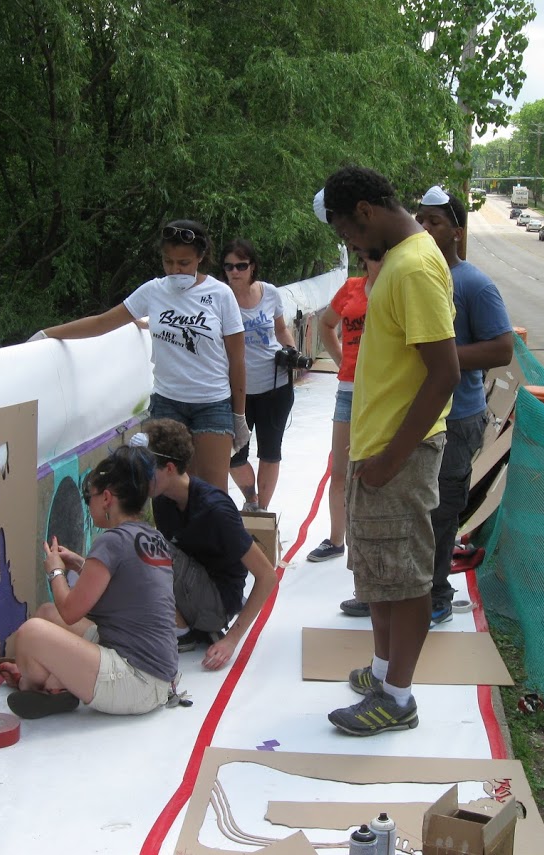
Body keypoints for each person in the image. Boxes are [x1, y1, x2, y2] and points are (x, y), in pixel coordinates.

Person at [314, 167, 459, 736]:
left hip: (400, 453)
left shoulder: (417, 266)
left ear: (366, 212)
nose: (352, 245)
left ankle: (398, 698)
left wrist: (392, 459)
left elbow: (443, 372)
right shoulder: (397, 263)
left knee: (406, 577)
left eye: (349, 233)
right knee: (377, 573)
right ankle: (382, 674)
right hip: (377, 449)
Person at [35, 220, 249, 489]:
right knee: (164, 489)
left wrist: (238, 415)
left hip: (212, 404)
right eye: (168, 262)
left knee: (211, 492)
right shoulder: (153, 291)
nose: (175, 270)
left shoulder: (220, 295)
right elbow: (102, 323)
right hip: (167, 403)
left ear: (201, 257)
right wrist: (47, 334)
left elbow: (237, 359)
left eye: (183, 263)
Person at [0, 447, 178, 720]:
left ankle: (37, 684)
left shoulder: (111, 541)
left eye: (89, 497)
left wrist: (56, 572)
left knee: (31, 633)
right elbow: (125, 588)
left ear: (106, 498)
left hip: (136, 681)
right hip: (156, 674)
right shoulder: (151, 536)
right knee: (48, 613)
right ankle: (55, 682)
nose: (88, 504)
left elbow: (71, 611)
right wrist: (82, 564)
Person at [414, 186, 514, 623]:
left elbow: (501, 349)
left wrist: (443, 358)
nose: (424, 228)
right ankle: (396, 591)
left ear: (456, 231)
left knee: (441, 509)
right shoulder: (411, 276)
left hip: (456, 417)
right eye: (419, 220)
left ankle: (436, 594)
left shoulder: (473, 284)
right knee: (406, 505)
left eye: (434, 222)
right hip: (411, 414)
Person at [142, 418, 279, 671]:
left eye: (146, 469)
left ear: (169, 468)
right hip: (192, 591)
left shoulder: (214, 509)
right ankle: (178, 622)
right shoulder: (163, 498)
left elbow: (267, 576)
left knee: (143, 541)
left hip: (217, 605)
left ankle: (183, 633)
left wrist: (232, 640)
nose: (140, 476)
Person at [306, 251, 381, 562]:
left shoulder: (398, 288)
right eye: (370, 254)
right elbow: (327, 325)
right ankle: (337, 539)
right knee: (341, 470)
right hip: (350, 388)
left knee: (375, 469)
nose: (373, 258)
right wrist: (342, 362)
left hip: (382, 392)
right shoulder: (351, 287)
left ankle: (373, 540)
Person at [219, 238, 298, 512]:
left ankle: (262, 510)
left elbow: (280, 329)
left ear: (252, 267)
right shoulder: (219, 298)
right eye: (229, 267)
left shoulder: (270, 293)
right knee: (233, 456)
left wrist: (291, 351)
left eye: (241, 265)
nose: (234, 272)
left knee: (270, 452)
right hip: (236, 391)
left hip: (275, 386)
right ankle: (251, 499)